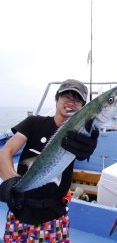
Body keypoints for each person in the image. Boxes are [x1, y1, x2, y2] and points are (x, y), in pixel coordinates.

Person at [0, 79, 99, 242]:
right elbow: (6, 151)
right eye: (66, 96)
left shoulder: (79, 135)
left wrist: (88, 146)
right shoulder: (34, 123)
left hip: (52, 217)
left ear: (83, 107)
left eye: (77, 99)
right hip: (19, 211)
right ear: (56, 99)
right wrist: (11, 181)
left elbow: (83, 151)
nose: (71, 102)